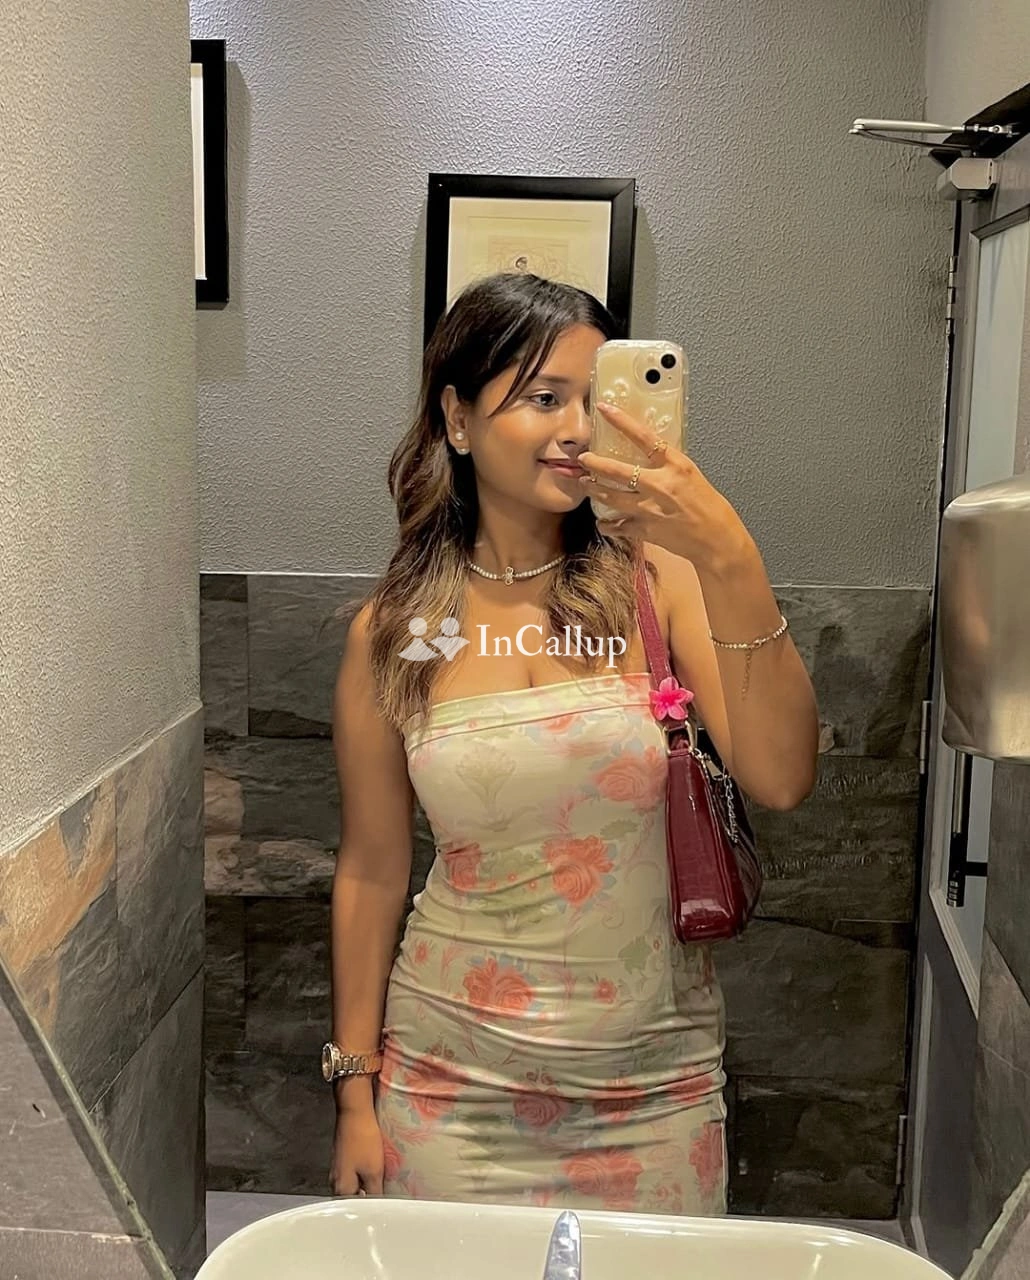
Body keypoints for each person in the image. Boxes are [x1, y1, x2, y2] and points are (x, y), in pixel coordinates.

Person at [327, 271, 819, 1215]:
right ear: (458, 420)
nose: (579, 429)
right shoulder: (399, 631)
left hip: (655, 1087)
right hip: (448, 1081)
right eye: (544, 398)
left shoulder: (658, 584)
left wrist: (727, 551)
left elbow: (782, 776)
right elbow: (372, 870)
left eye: (595, 399)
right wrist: (355, 1088)